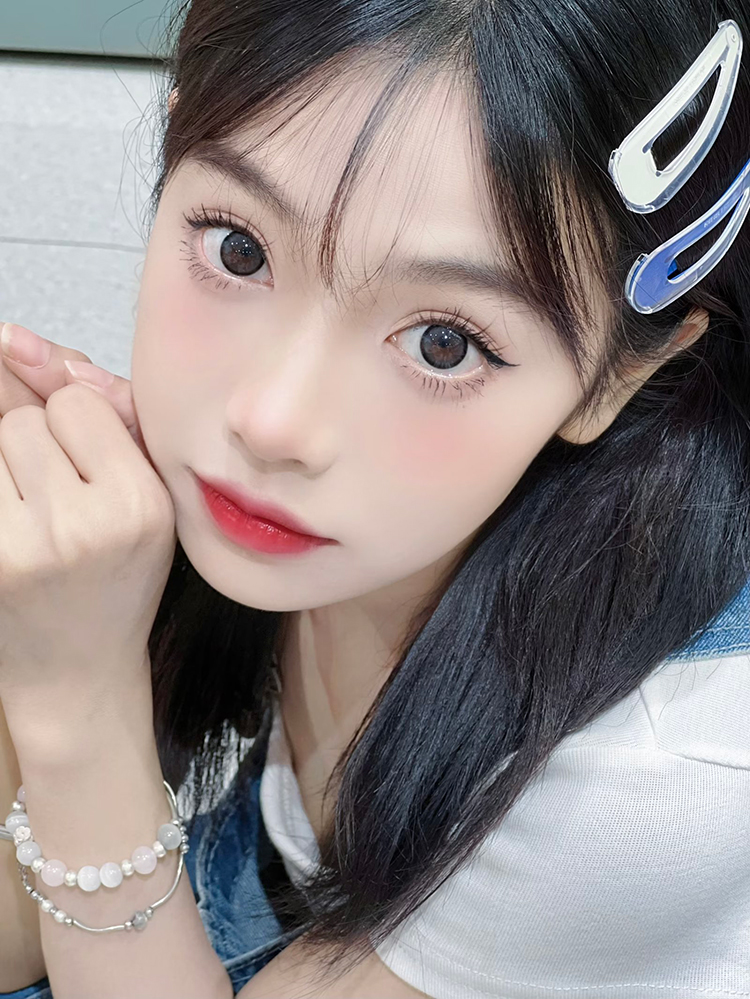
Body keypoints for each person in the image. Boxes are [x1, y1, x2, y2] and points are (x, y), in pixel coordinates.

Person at [0, 1, 748, 996]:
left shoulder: (650, 771)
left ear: (616, 376)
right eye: (238, 248)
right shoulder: (339, 524)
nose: (273, 421)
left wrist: (78, 703)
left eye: (444, 343)